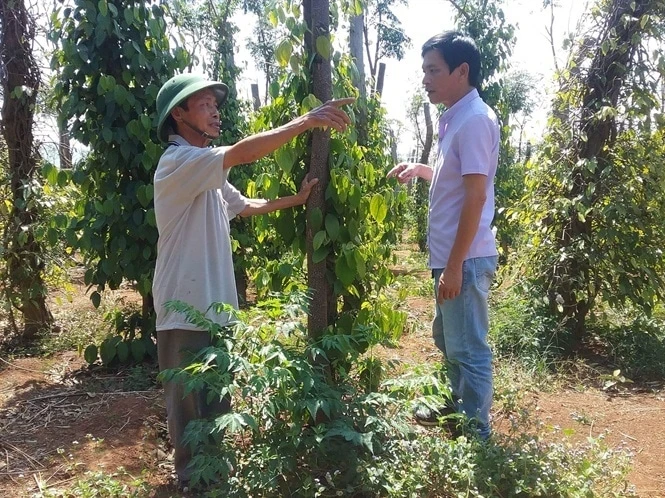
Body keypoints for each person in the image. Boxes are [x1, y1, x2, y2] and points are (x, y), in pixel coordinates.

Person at [152, 73, 354, 486]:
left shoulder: (206, 171)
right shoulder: (178, 163)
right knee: (189, 410)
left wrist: (294, 200)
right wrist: (305, 122)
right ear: (178, 114)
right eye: (204, 104)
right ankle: (193, 484)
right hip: (183, 311)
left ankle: (216, 479)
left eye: (214, 104)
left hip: (214, 309)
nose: (215, 112)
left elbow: (243, 206)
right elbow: (242, 154)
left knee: (216, 402)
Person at [388, 31, 499, 440]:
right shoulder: (456, 117)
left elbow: (475, 196)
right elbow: (458, 180)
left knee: (469, 348)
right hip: (452, 258)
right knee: (448, 337)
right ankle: (459, 408)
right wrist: (422, 170)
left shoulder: (473, 120)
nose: (425, 79)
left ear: (462, 71)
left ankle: (476, 434)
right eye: (425, 71)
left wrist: (454, 268)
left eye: (433, 70)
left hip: (463, 259)